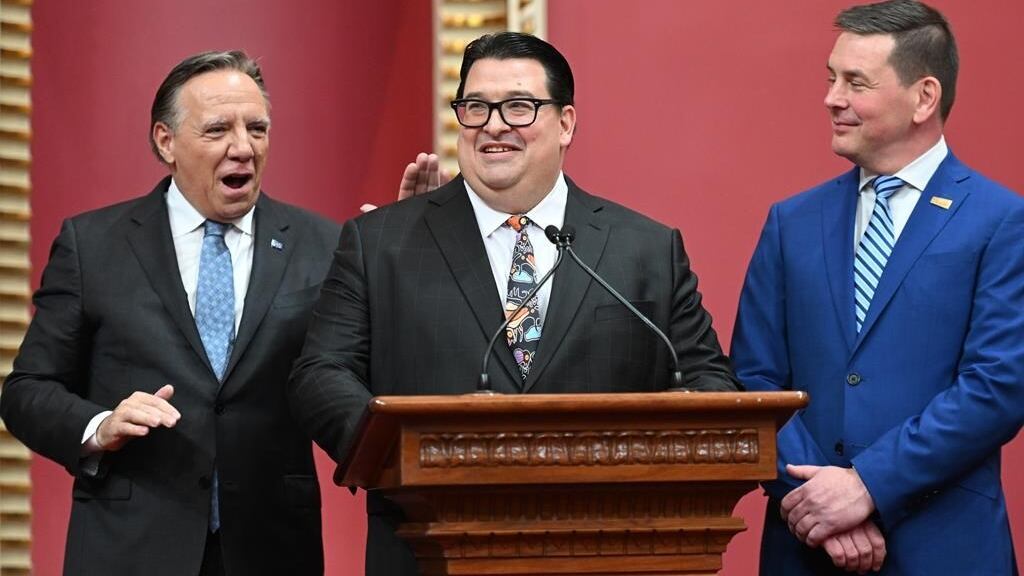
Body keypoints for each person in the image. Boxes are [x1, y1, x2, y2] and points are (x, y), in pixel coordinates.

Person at [288, 32, 741, 575]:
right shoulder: (380, 241)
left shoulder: (644, 249)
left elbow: (710, 382)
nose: (494, 125)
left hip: (605, 547)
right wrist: (393, 453)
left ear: (565, 123)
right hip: (427, 546)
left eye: (519, 107)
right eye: (476, 107)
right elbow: (321, 373)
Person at [0, 50, 339, 575]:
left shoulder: (324, 244)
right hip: (132, 546)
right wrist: (100, 425)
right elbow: (27, 391)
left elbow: (362, 380)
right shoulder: (93, 245)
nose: (243, 148)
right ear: (166, 141)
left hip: (272, 548)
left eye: (257, 128)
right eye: (218, 130)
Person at [730, 1, 1024, 574]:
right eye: (831, 78)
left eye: (855, 82)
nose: (831, 98)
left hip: (944, 548)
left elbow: (997, 387)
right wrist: (816, 500)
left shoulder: (1000, 221)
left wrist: (867, 486)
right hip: (806, 546)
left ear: (924, 97)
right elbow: (753, 379)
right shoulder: (792, 222)